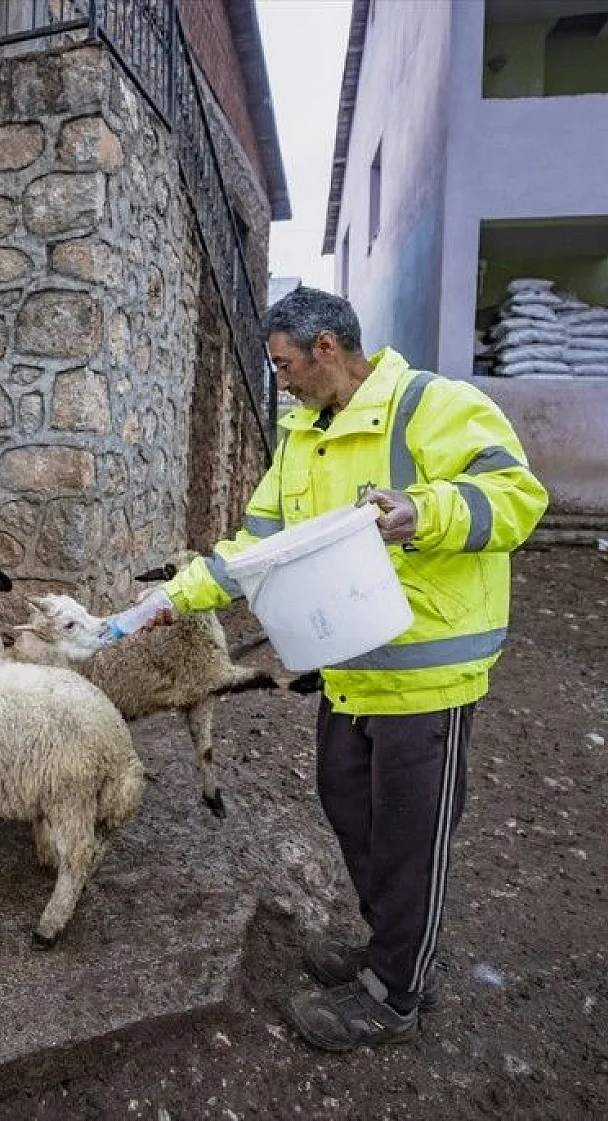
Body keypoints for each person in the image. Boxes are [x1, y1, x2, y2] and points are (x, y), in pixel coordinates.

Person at [104, 287, 548, 1051]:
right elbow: (255, 548)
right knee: (352, 809)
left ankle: (397, 991)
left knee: (411, 835)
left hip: (426, 678)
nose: (279, 379)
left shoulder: (434, 406)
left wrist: (423, 512)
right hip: (349, 671)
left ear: (328, 350)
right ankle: (396, 950)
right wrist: (170, 599)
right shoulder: (302, 437)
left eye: (283, 364)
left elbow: (516, 497)